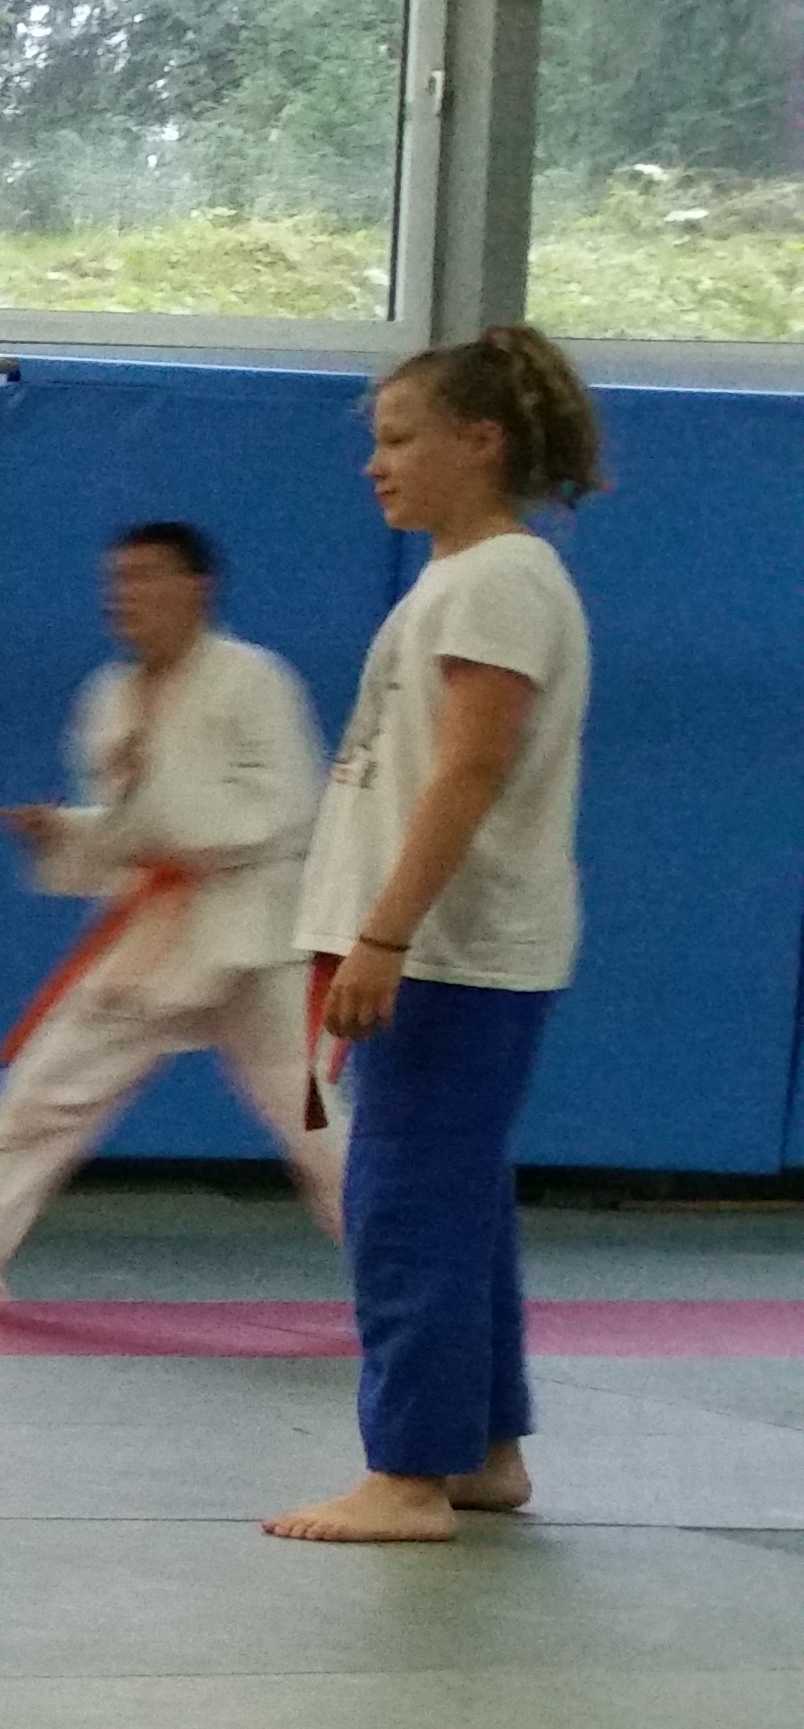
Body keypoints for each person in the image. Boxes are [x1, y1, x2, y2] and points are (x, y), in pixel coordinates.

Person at [267, 327, 605, 1546]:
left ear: (481, 442)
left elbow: (468, 771)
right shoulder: (466, 579)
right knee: (455, 1202)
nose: (376, 464)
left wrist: (383, 936)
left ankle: (407, 1474)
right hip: (453, 949)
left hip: (448, 952)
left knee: (405, 1204)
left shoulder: (495, 581)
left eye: (400, 439)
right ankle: (482, 1449)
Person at [0, 522, 342, 1315]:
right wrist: (66, 833)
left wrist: (151, 800)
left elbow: (286, 810)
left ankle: (409, 1277)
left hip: (251, 938)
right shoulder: (110, 696)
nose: (126, 594)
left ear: (198, 588)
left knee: (316, 1127)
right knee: (38, 1096)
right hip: (156, 936)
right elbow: (134, 836)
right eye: (118, 579)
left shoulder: (254, 680)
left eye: (147, 576)